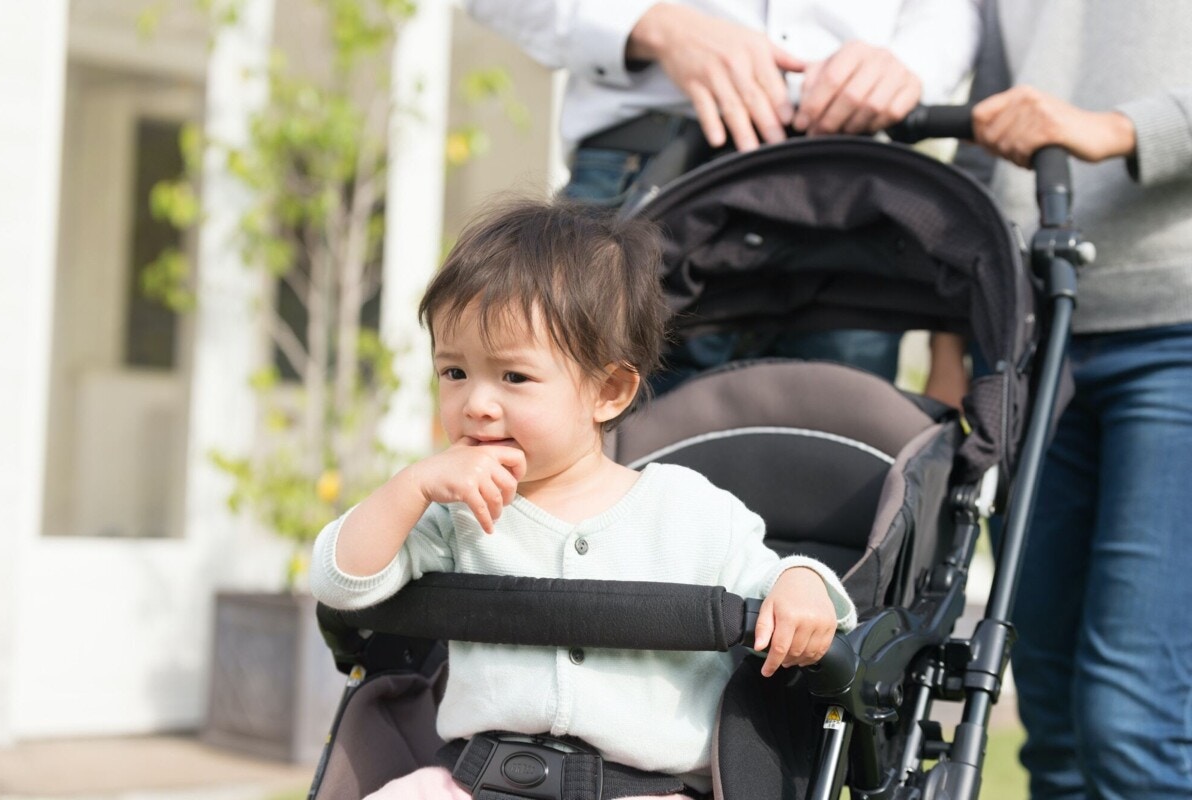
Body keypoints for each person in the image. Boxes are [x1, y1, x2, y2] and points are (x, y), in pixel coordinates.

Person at [309, 197, 857, 799]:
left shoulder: (688, 510)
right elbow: (342, 583)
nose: (477, 404)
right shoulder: (451, 512)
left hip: (644, 788)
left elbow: (784, 585)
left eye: (514, 377)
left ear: (609, 391)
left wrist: (803, 582)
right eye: (454, 372)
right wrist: (409, 487)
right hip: (477, 778)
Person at [463, 1, 980, 389]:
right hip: (647, 175)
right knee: (594, 480)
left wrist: (910, 64)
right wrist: (653, 24)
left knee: (836, 488)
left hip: (842, 199)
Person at [954, 1, 1192, 798]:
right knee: (1047, 712)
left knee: (1131, 721)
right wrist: (954, 340)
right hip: (1027, 333)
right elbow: (986, 128)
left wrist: (1121, 128)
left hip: (1178, 329)